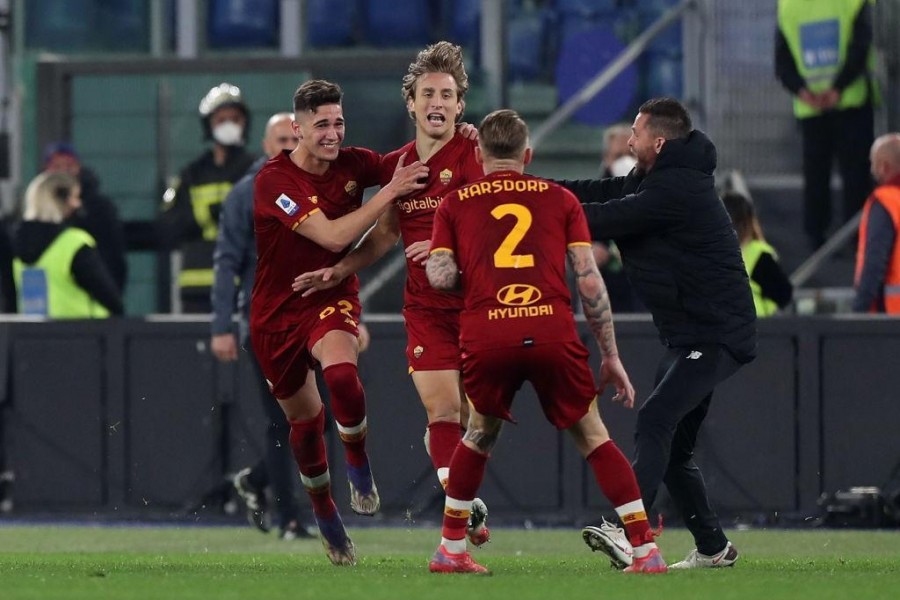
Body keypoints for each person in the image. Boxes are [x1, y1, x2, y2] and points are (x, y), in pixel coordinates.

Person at [425, 109, 665, 575]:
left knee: (477, 434)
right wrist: (611, 355)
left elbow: (439, 276)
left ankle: (451, 550)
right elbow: (589, 280)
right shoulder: (559, 199)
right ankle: (644, 549)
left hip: (488, 333)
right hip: (551, 330)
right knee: (593, 435)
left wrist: (472, 275)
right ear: (527, 155)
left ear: (478, 155)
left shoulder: (453, 204)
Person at [291, 41, 490, 545]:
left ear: (461, 105)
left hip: (478, 305)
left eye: (447, 94)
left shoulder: (475, 152)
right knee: (442, 413)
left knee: (473, 426)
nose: (437, 103)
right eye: (428, 93)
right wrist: (338, 270)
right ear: (411, 102)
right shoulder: (396, 167)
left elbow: (497, 226)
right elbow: (383, 236)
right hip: (426, 310)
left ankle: (459, 493)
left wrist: (450, 250)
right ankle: (459, 523)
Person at [559, 98, 757, 570]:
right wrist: (530, 189)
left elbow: (606, 218)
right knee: (673, 449)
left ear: (659, 141)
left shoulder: (677, 189)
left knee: (654, 420)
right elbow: (599, 191)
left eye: (636, 132)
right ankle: (714, 548)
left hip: (715, 334)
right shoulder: (654, 179)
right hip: (690, 335)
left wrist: (536, 208)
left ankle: (630, 530)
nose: (629, 141)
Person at [251, 79, 429, 565]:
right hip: (276, 313)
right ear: (298, 128)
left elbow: (418, 158)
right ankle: (326, 516)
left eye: (338, 123)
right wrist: (388, 192)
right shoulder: (273, 181)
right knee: (305, 424)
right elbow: (330, 238)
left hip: (330, 296)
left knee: (343, 376)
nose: (332, 134)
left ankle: (357, 462)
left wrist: (458, 135)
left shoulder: (355, 163)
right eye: (322, 125)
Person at [211, 112, 314, 540]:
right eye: (281, 139)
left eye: (295, 138)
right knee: (282, 421)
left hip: (312, 320)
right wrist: (222, 325)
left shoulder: (316, 187)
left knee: (318, 420)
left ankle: (255, 481)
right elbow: (227, 262)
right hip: (266, 324)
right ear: (266, 146)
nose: (289, 146)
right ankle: (287, 518)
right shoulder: (246, 194)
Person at [775, 0, 878, 251]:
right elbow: (860, 47)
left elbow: (782, 60)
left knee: (816, 174)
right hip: (850, 101)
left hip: (811, 106)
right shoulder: (853, 3)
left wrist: (801, 90)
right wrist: (838, 88)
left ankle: (816, 239)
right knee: (856, 175)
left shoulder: (788, 6)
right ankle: (858, 240)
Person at [160, 82, 257, 313]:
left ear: (245, 123)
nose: (228, 125)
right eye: (221, 120)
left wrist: (212, 215)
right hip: (195, 288)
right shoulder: (191, 175)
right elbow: (167, 227)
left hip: (243, 285)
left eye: (234, 119)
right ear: (208, 125)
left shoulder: (256, 170)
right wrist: (208, 216)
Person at [12, 171, 123, 317]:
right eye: (75, 197)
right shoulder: (74, 242)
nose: (78, 204)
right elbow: (109, 298)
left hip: (32, 335)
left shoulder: (15, 243)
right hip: (87, 333)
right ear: (60, 200)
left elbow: (10, 297)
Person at [42, 141, 128, 293]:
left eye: (69, 165)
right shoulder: (36, 210)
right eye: (57, 166)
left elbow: (114, 258)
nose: (63, 172)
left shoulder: (99, 209)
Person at [722, 191, 794, 316]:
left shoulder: (706, 252)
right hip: (757, 328)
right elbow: (784, 295)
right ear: (748, 222)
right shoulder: (758, 254)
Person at [853, 133, 900, 314]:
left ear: (884, 167)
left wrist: (859, 314)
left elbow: (874, 264)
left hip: (890, 321)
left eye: (874, 164)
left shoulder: (886, 201)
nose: (872, 170)